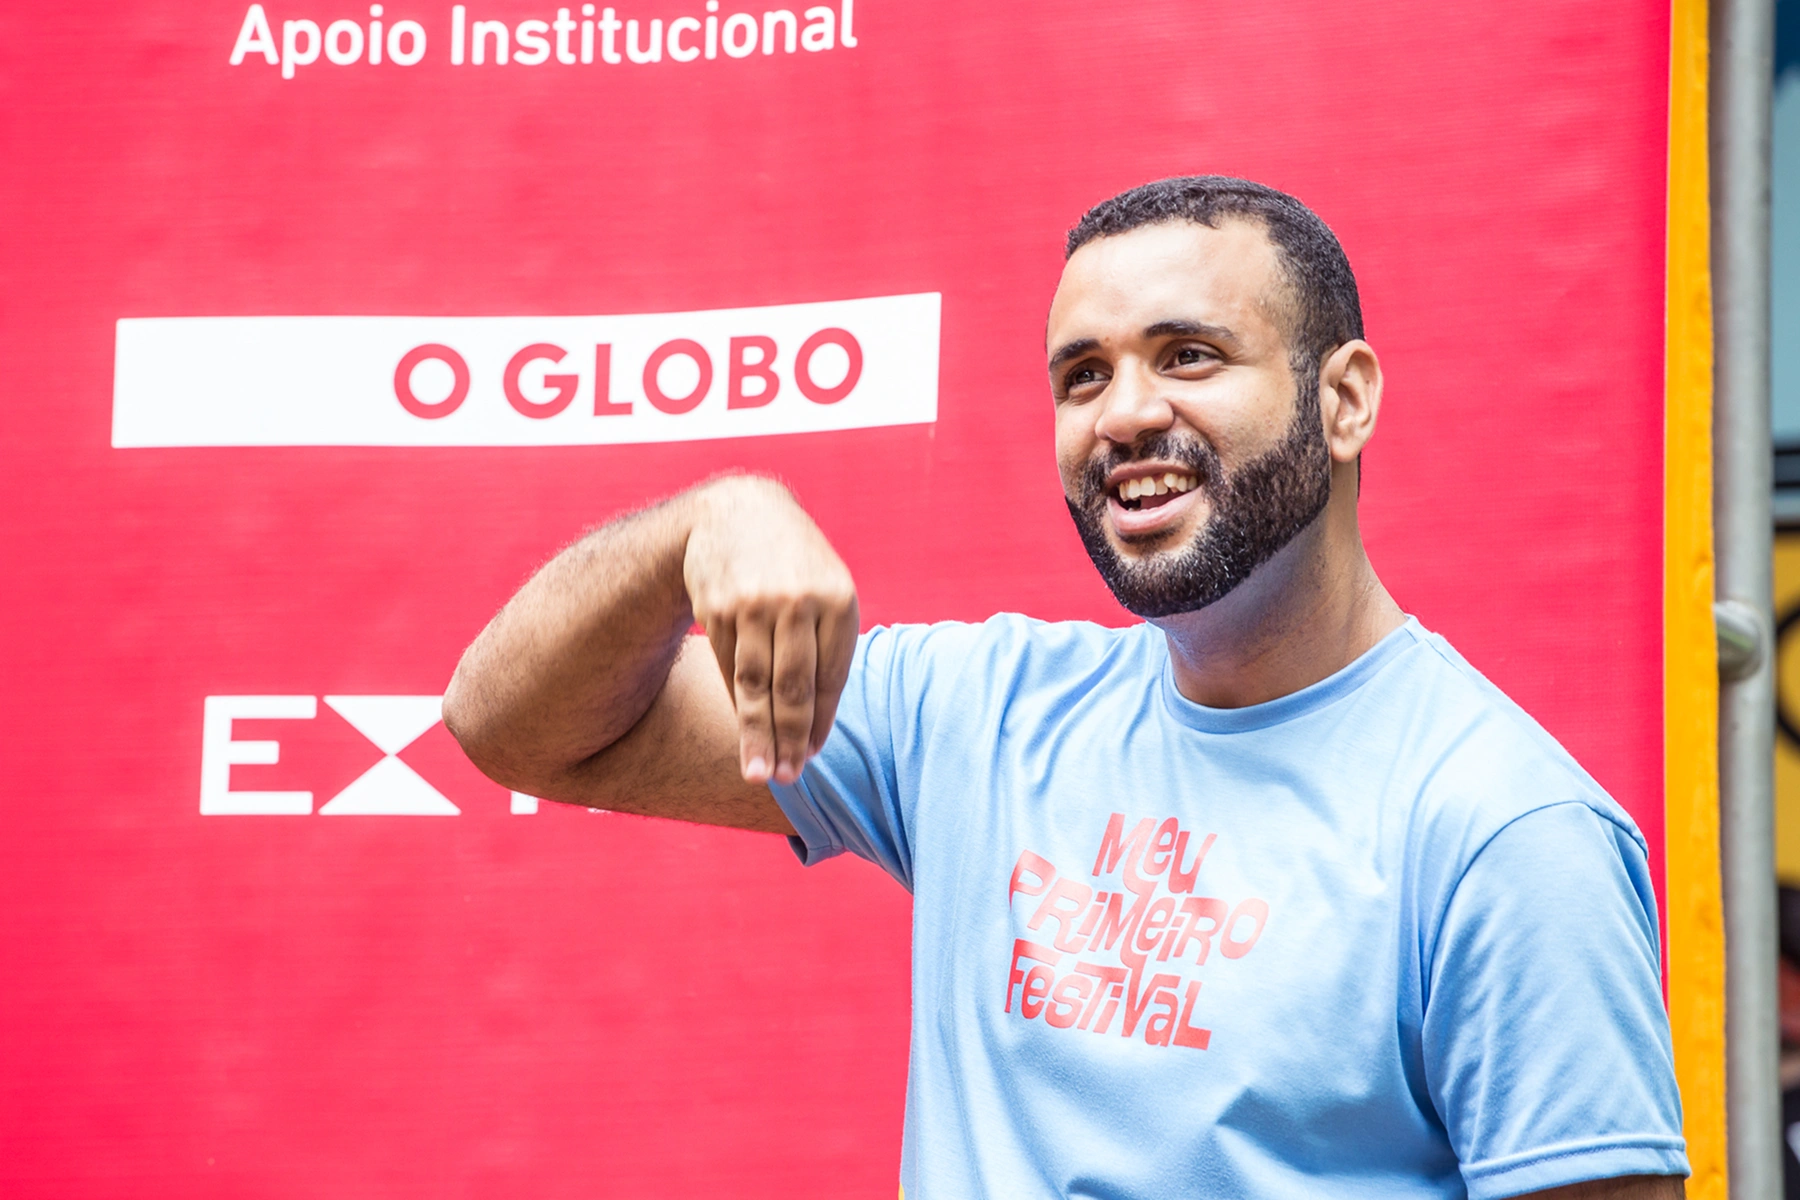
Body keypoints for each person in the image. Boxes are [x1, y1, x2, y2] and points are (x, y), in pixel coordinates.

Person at [443, 176, 1689, 1199]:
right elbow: (513, 729)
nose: (1125, 415)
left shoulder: (1504, 831)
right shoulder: (971, 714)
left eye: (1189, 355)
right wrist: (702, 526)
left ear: (1344, 399)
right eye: (1083, 375)